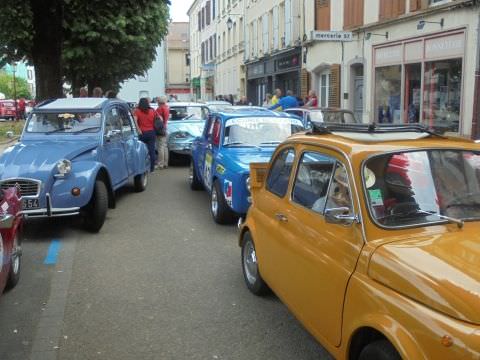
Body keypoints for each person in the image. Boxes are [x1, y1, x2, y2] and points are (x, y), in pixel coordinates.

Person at [134, 98, 156, 172]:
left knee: (140, 151)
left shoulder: (137, 111)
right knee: (152, 150)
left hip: (142, 133)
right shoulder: (152, 110)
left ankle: (142, 167)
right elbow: (160, 119)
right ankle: (152, 168)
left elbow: (135, 121)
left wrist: (138, 129)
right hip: (151, 132)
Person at [155, 96, 170, 169]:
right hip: (165, 127)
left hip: (160, 129)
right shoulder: (167, 108)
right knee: (165, 147)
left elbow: (157, 119)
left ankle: (160, 163)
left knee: (160, 146)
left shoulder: (159, 109)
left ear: (159, 102)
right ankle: (165, 163)